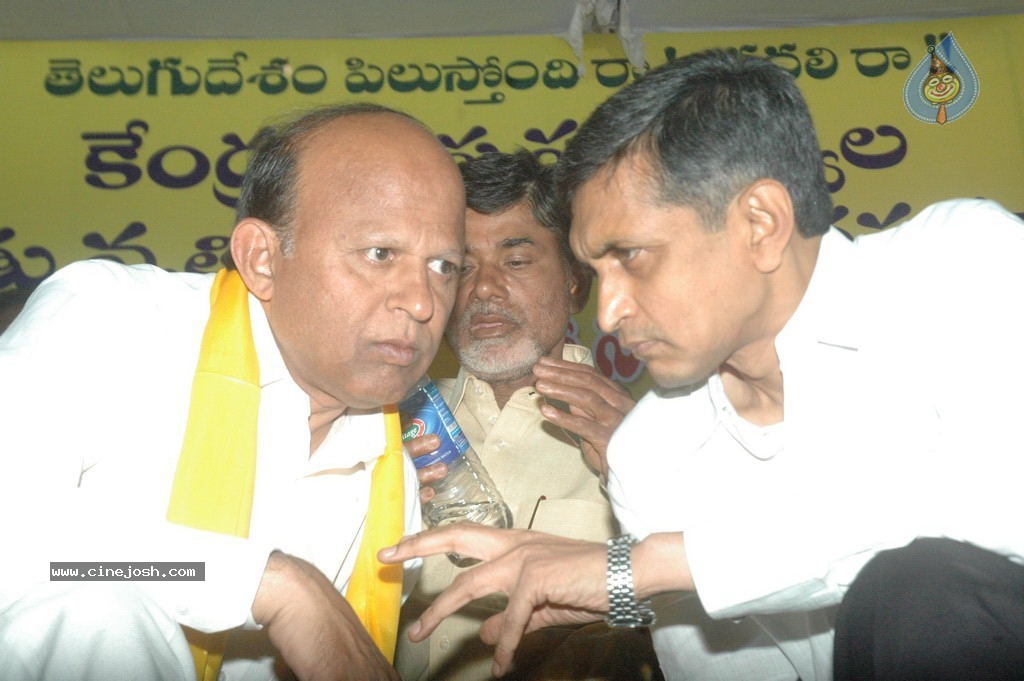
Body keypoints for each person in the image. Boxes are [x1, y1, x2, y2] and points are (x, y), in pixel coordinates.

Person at [380, 48, 1024, 681]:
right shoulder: (654, 451)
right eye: (597, 270)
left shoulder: (957, 266)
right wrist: (646, 579)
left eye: (631, 256)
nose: (608, 312)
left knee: (925, 589)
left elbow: (995, 505)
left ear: (761, 223)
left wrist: (650, 566)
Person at [0, 103, 466, 681]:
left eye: (445, 265)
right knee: (94, 611)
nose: (422, 302)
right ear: (262, 258)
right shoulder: (109, 320)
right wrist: (268, 583)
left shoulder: (392, 480)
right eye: (380, 254)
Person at [394, 151, 658, 681]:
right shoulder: (383, 424)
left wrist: (649, 481)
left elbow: (729, 611)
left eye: (515, 261)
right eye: (460, 267)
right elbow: (188, 576)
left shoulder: (655, 434)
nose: (484, 289)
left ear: (575, 282)